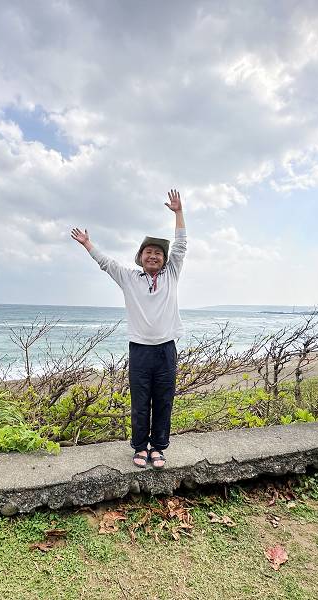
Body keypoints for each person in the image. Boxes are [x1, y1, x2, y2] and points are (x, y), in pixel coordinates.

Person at [71, 189, 186, 469]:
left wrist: (179, 213)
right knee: (139, 402)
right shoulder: (129, 278)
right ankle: (140, 447)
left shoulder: (171, 273)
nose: (154, 256)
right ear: (141, 257)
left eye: (158, 253)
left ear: (164, 258)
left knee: (163, 401)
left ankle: (158, 448)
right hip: (139, 351)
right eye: (149, 252)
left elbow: (181, 245)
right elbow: (106, 263)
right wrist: (88, 244)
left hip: (166, 350)